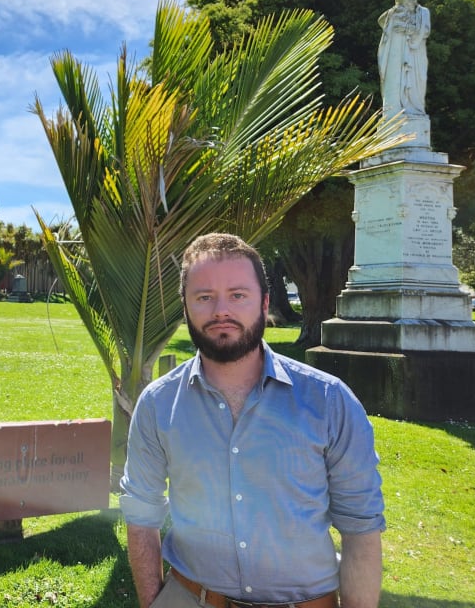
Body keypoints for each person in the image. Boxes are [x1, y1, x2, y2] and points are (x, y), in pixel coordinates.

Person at [120, 233, 385, 608]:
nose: (220, 310)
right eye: (204, 297)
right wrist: (153, 602)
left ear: (264, 303)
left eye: (238, 295)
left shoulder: (329, 402)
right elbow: (141, 515)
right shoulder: (158, 404)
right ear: (185, 307)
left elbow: (361, 530)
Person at [377, 0, 430, 117]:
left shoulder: (423, 12)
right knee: (397, 78)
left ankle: (414, 109)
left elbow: (426, 31)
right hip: (398, 54)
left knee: (418, 81)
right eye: (406, 1)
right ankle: (397, 109)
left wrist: (407, 28)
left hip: (416, 53)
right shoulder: (396, 13)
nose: (411, 2)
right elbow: (381, 21)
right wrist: (394, 11)